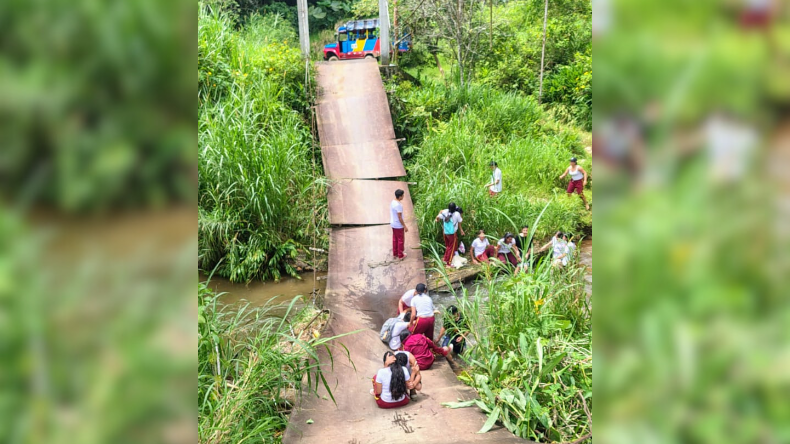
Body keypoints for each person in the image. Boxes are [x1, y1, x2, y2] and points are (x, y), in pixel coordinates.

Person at [435, 203, 464, 268]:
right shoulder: (457, 214)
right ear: (455, 209)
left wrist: (437, 219)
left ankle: (445, 259)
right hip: (452, 234)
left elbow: (438, 217)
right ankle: (448, 264)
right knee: (451, 248)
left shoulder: (445, 211)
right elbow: (460, 220)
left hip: (445, 233)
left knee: (448, 246)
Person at [390, 189, 409, 260]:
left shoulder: (393, 202)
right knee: (400, 240)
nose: (403, 196)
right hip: (398, 225)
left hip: (393, 223)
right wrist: (405, 226)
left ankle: (395, 253)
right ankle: (400, 255)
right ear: (400, 197)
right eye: (403, 195)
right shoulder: (398, 205)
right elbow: (400, 217)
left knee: (395, 239)